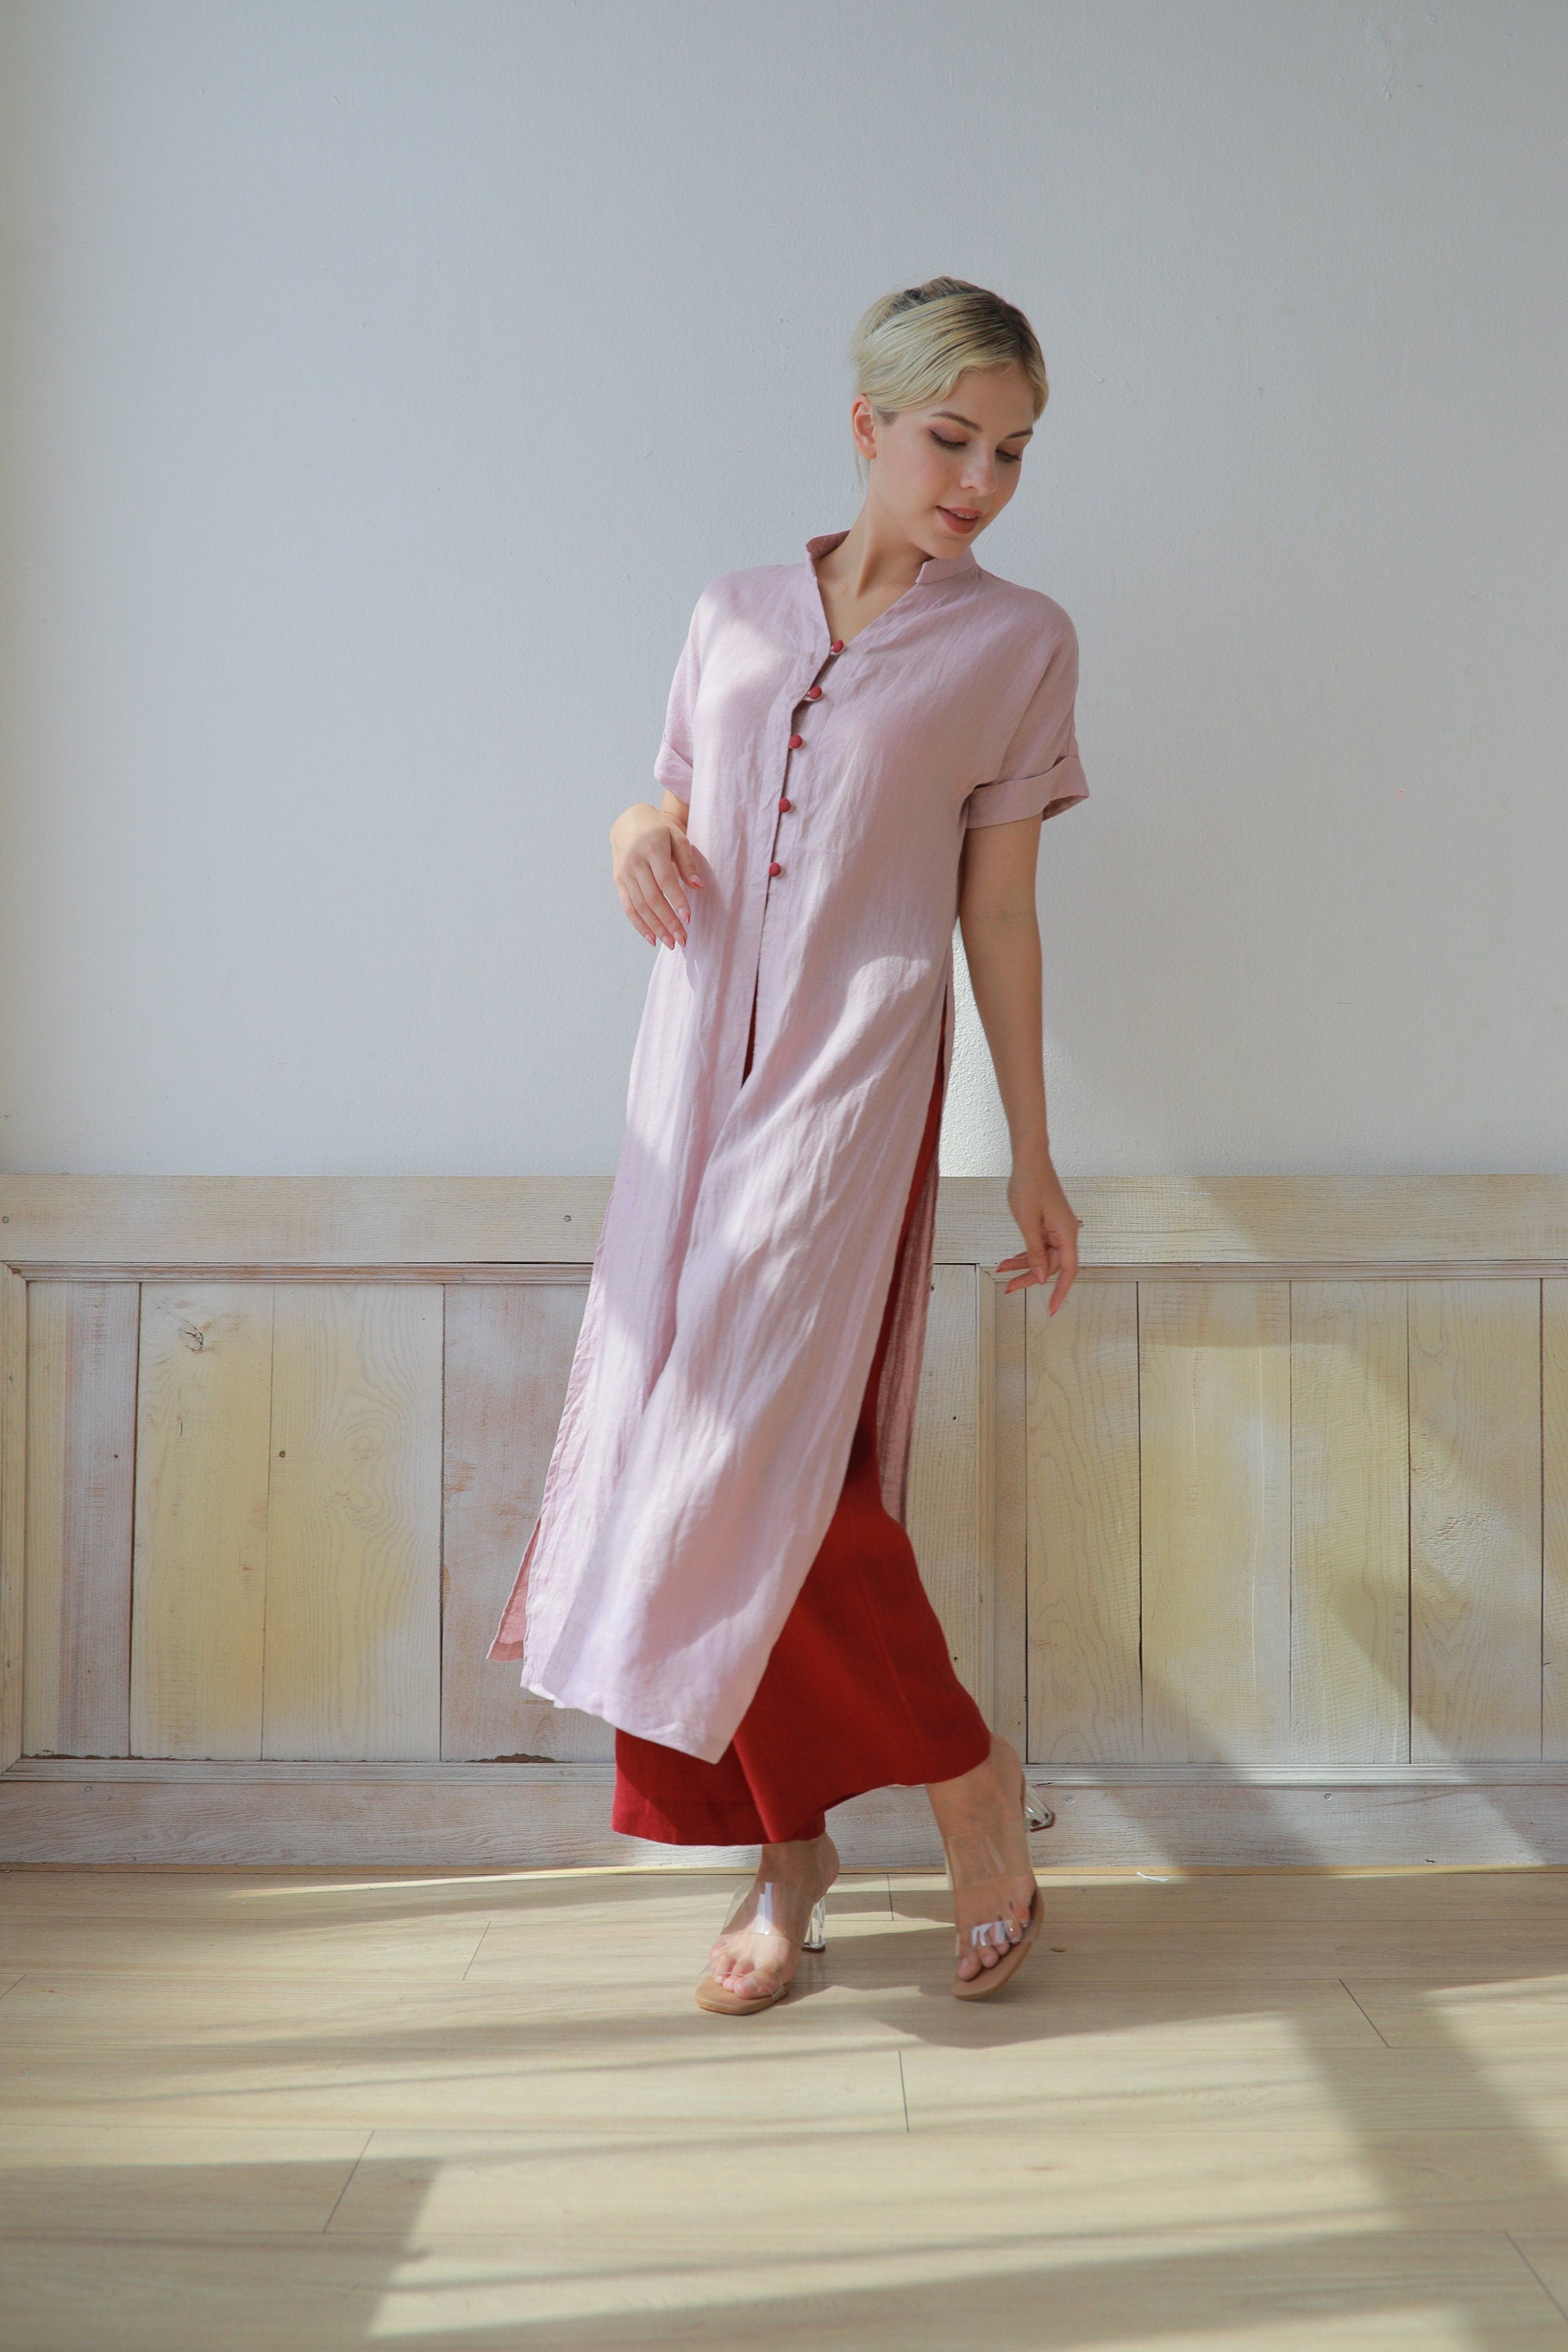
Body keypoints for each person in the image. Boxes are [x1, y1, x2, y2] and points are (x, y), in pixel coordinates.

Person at [488, 276, 1087, 2011]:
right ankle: (792, 1845)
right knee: (716, 1469)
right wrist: (626, 830)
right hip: (686, 1080)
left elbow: (1002, 917)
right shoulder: (733, 610)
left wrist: (1033, 1156)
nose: (975, 481)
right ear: (865, 428)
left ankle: (956, 1786)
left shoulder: (1016, 642)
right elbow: (671, 794)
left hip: (847, 1080)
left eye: (1010, 453)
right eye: (947, 440)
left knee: (754, 1457)